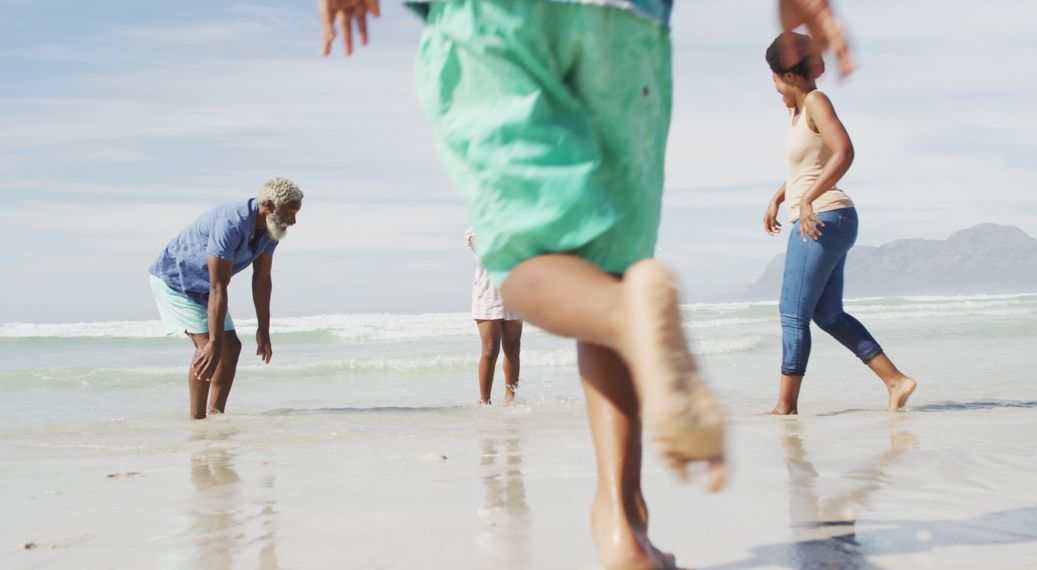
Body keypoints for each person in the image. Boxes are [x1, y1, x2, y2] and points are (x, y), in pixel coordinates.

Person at [320, 1, 853, 567]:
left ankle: (627, 318)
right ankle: (627, 532)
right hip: (629, 28)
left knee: (527, 257)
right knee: (607, 270)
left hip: (500, 18)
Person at [762, 32, 917, 416]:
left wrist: (809, 199)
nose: (776, 89)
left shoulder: (815, 101)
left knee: (792, 313)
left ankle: (785, 407)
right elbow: (811, 164)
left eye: (776, 80)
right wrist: (780, 195)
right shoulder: (798, 112)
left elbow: (844, 151)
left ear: (791, 76)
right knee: (827, 313)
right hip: (830, 217)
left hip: (822, 217)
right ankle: (896, 381)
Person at [148, 177, 303, 419]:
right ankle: (198, 423)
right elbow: (218, 286)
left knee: (231, 347)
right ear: (270, 205)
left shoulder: (272, 230)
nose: (293, 220)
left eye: (296, 213)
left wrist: (264, 328)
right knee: (209, 347)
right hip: (176, 281)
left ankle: (216, 417)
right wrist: (213, 344)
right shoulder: (230, 223)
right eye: (290, 212)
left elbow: (262, 278)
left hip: (206, 288)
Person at [466, 228, 523, 404]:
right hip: (488, 295)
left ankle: (510, 399)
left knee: (513, 349)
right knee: (490, 350)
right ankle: (485, 401)